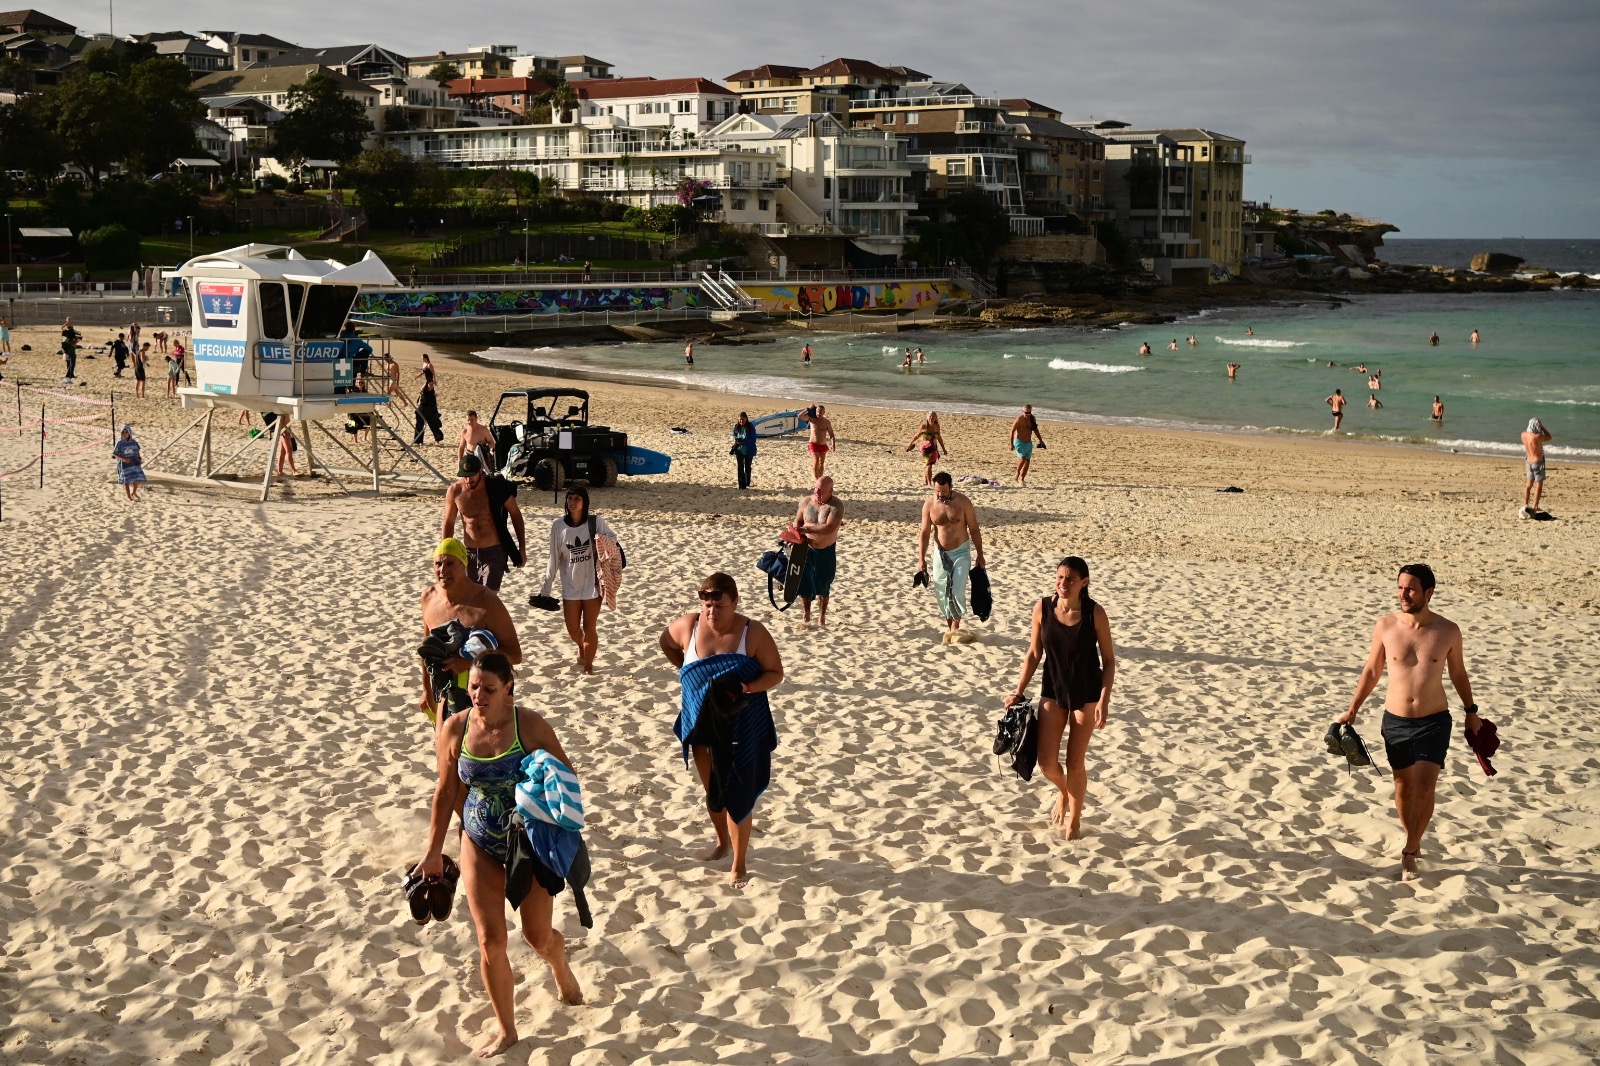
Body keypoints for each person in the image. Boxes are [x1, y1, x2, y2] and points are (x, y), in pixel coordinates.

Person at [413, 652, 583, 1057]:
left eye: (488, 689)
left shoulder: (531, 725)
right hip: (478, 839)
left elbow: (567, 777)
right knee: (491, 940)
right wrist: (434, 850)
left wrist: (538, 791)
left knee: (537, 937)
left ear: (508, 687)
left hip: (528, 843)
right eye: (473, 687)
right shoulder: (455, 728)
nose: (478, 695)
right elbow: (446, 790)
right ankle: (508, 1029)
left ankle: (559, 965)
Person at [1336, 564, 1479, 881]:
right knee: (1403, 788)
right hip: (1396, 721)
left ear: (1428, 592)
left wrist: (1471, 711)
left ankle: (1410, 850)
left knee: (1426, 787)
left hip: (1435, 721)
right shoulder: (1386, 626)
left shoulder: (1447, 631)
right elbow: (1372, 671)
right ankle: (1412, 836)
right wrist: (1353, 709)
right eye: (1400, 587)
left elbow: (1458, 673)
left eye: (1411, 588)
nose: (1403, 594)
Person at [657, 572, 784, 887]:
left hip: (742, 721)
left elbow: (776, 673)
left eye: (719, 604)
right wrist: (692, 676)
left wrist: (745, 686)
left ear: (734, 602)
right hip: (701, 723)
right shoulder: (688, 625)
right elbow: (667, 643)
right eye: (706, 603)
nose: (711, 611)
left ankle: (739, 863)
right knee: (714, 790)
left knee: (738, 792)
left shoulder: (751, 633)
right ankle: (721, 843)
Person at [1003, 556, 1116, 838]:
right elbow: (1033, 653)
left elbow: (1110, 660)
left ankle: (1074, 820)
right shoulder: (1042, 608)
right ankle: (1064, 792)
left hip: (1087, 694)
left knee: (1075, 762)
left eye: (1070, 579)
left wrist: (1104, 699)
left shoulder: (1094, 613)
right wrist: (1018, 691)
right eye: (1059, 577)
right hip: (1052, 690)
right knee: (1046, 762)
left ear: (1084, 583)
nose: (1063, 583)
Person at [420, 538, 522, 725]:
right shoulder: (428, 598)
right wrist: (427, 690)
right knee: (446, 752)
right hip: (446, 692)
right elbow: (427, 651)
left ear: (464, 565)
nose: (443, 570)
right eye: (438, 564)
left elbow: (515, 654)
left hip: (488, 696)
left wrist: (469, 662)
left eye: (450, 563)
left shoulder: (486, 601)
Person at [536, 484, 615, 674]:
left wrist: (600, 544)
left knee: (590, 628)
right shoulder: (558, 526)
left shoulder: (596, 522)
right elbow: (553, 560)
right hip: (570, 587)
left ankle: (588, 666)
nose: (572, 502)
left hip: (593, 586)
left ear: (584, 502)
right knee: (572, 629)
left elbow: (613, 540)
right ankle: (580, 647)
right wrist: (545, 590)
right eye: (569, 498)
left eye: (577, 498)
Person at [443, 453, 526, 592]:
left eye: (472, 475)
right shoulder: (455, 491)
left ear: (481, 471)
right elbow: (448, 522)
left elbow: (516, 514)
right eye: (465, 476)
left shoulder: (496, 487)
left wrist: (522, 548)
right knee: (471, 599)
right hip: (469, 553)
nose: (468, 480)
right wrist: (445, 552)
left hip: (494, 551)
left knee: (489, 597)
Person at [918, 471, 985, 639]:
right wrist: (921, 558)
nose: (940, 495)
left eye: (944, 491)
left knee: (957, 588)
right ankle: (952, 628)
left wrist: (980, 554)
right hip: (940, 553)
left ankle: (955, 626)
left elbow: (974, 529)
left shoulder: (963, 503)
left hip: (961, 551)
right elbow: (925, 533)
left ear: (951, 487)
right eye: (937, 491)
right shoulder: (929, 505)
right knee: (941, 590)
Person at [792, 476, 843, 627]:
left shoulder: (836, 506)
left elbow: (829, 527)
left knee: (824, 583)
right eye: (816, 488)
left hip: (825, 550)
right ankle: (806, 615)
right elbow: (798, 521)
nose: (817, 492)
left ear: (830, 490)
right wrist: (797, 532)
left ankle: (822, 617)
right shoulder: (806, 501)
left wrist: (807, 528)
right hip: (806, 548)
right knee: (804, 582)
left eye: (821, 490)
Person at [905, 413, 948, 486]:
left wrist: (943, 448)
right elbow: (916, 436)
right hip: (925, 448)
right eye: (930, 416)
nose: (931, 418)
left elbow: (939, 437)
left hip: (934, 447)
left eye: (933, 417)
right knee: (929, 465)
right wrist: (910, 445)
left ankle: (926, 480)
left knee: (929, 465)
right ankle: (929, 483)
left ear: (935, 418)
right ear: (927, 418)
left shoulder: (937, 426)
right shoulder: (924, 426)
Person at [1009, 404, 1046, 486]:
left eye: (1029, 412)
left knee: (1028, 461)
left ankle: (1022, 479)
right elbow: (1012, 431)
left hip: (1028, 442)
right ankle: (1017, 474)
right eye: (1026, 413)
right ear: (1023, 412)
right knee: (1022, 458)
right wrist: (1011, 444)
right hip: (1019, 441)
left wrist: (1041, 440)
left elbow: (1035, 430)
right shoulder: (1019, 419)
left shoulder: (1032, 418)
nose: (1028, 414)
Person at [1521, 418, 1552, 514]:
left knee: (1528, 485)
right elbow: (1549, 437)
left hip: (1528, 460)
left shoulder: (1523, 435)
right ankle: (1535, 506)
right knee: (1538, 485)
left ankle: (1525, 504)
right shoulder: (1537, 436)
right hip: (1538, 461)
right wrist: (1542, 427)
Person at [797, 404, 836, 480]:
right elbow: (800, 416)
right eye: (818, 411)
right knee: (816, 462)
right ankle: (816, 481)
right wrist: (808, 408)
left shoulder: (827, 422)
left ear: (824, 412)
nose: (819, 413)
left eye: (821, 411)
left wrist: (833, 445)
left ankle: (820, 479)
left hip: (823, 445)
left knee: (821, 464)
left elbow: (831, 434)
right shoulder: (812, 419)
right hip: (813, 444)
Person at [414, 353, 444, 444]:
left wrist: (434, 382)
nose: (422, 359)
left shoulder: (430, 365)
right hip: (426, 382)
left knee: (428, 396)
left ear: (426, 358)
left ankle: (437, 438)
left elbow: (433, 374)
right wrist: (418, 376)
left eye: (423, 358)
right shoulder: (424, 365)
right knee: (423, 393)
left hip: (429, 381)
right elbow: (423, 372)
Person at [112, 425, 146, 501]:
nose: (124, 434)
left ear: (129, 433)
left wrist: (139, 459)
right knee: (126, 480)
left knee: (136, 479)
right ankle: (128, 496)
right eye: (123, 432)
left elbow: (137, 452)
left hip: (134, 463)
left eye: (126, 432)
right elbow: (114, 453)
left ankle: (133, 492)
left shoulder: (134, 442)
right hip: (124, 465)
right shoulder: (119, 443)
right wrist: (123, 459)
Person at [731, 411, 757, 489]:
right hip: (739, 449)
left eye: (743, 419)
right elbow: (734, 435)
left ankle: (747, 482)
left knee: (747, 467)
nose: (741, 421)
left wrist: (743, 442)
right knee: (740, 467)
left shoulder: (750, 427)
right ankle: (741, 486)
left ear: (746, 419)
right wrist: (736, 440)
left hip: (749, 450)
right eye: (740, 419)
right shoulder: (736, 427)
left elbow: (753, 440)